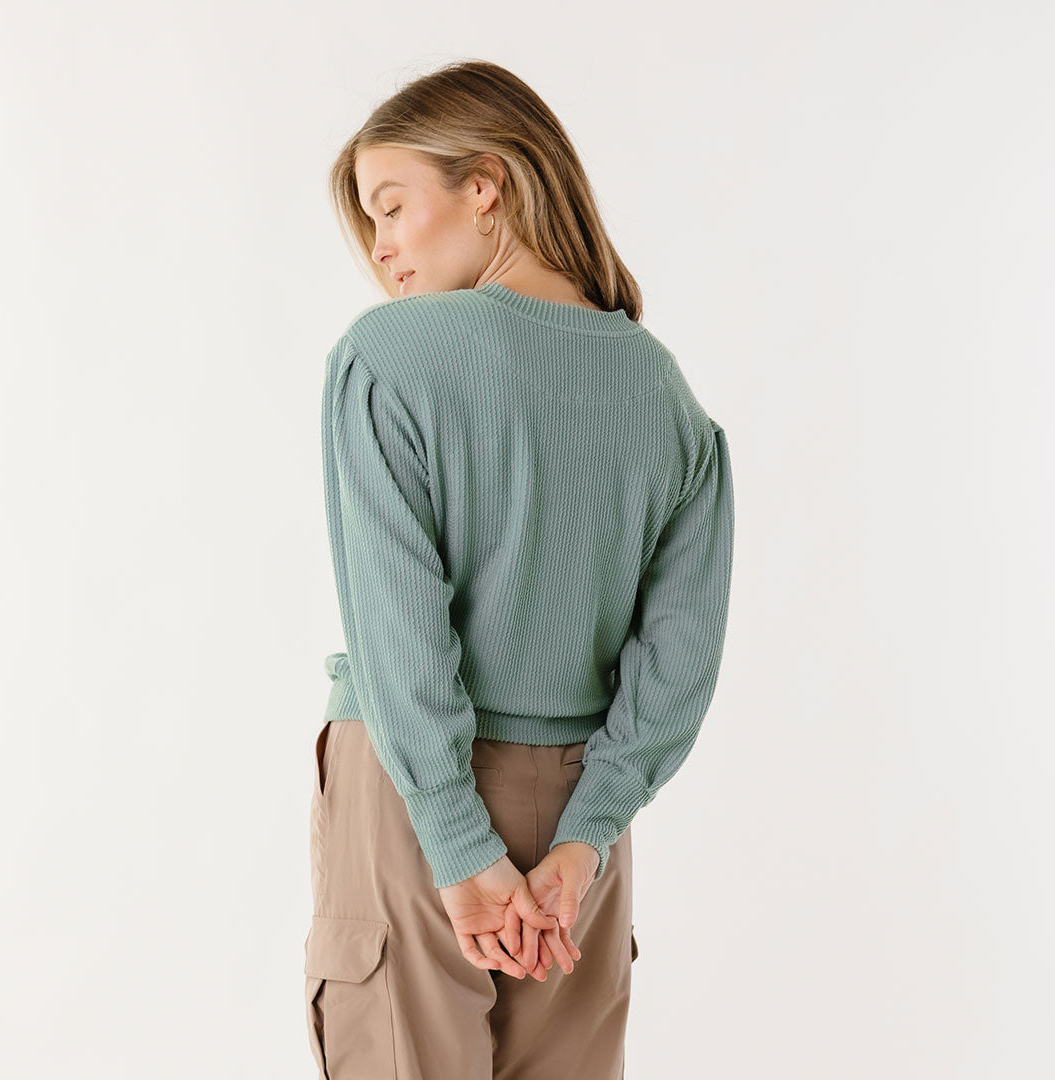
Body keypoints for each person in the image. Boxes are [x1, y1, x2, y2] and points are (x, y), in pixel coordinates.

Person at [303, 59, 735, 1080]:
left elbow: (400, 629)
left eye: (392, 205)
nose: (380, 245)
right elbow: (677, 664)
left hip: (417, 796)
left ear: (486, 186)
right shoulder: (665, 396)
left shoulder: (388, 358)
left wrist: (458, 843)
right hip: (580, 822)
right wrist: (586, 839)